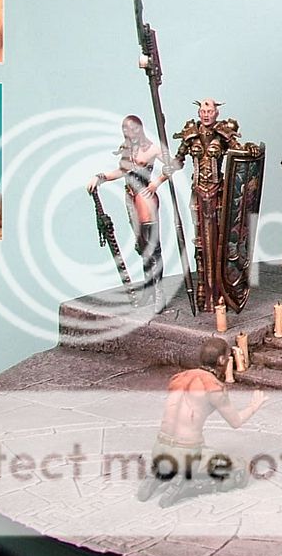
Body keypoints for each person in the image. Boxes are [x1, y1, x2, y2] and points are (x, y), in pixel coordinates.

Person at [136, 338, 265, 507]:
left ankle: (159, 473)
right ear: (221, 360)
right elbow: (236, 422)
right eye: (228, 358)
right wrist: (253, 406)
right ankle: (185, 486)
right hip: (187, 454)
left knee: (202, 451)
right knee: (240, 468)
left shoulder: (179, 377)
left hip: (159, 448)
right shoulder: (214, 387)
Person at [153, 99, 240, 312]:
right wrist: (161, 177)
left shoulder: (223, 134)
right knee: (200, 242)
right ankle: (203, 287)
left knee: (220, 241)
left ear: (216, 113)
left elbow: (240, 153)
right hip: (198, 193)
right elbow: (178, 160)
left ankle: (221, 289)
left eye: (209, 110)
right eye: (203, 111)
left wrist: (252, 151)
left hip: (218, 193)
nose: (206, 114)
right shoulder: (190, 134)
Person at [87, 116, 165, 311]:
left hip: (145, 197)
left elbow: (173, 164)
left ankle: (159, 292)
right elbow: (121, 172)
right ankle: (149, 289)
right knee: (142, 246)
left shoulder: (152, 149)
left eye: (132, 128)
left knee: (152, 246)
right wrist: (100, 177)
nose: (128, 132)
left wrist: (156, 183)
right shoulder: (127, 150)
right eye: (125, 128)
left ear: (139, 128)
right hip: (130, 197)